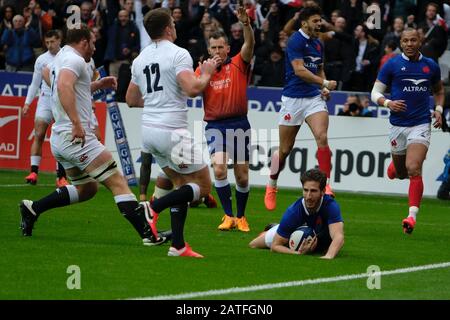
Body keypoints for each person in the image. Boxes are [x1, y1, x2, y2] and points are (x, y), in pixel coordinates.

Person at [19, 24, 163, 247]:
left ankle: (33, 208)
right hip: (76, 136)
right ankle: (149, 235)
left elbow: (57, 80)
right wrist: (76, 123)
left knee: (87, 189)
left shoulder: (60, 57)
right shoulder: (75, 60)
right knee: (118, 182)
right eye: (93, 43)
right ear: (84, 42)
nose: (95, 48)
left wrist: (96, 85)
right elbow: (64, 86)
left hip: (60, 138)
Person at [126, 8, 218, 257]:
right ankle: (152, 208)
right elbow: (192, 89)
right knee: (204, 186)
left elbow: (131, 99)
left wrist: (158, 101)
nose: (176, 27)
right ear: (168, 28)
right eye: (173, 24)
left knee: (180, 184)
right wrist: (207, 73)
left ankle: (178, 245)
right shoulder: (179, 54)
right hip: (172, 132)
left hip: (149, 132)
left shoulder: (140, 58)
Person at [370, 27, 445, 234]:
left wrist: (438, 110)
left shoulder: (430, 66)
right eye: (405, 41)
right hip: (397, 125)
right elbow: (374, 93)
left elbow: (439, 91)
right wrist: (388, 103)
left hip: (421, 124)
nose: (409, 44)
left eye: (413, 40)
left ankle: (411, 217)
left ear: (420, 41)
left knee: (413, 169)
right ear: (401, 43)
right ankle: (395, 168)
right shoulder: (392, 64)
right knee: (402, 172)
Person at [264, 5, 337, 212]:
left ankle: (325, 185)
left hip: (313, 98)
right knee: (285, 150)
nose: (319, 24)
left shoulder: (318, 43)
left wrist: (322, 86)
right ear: (304, 22)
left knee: (322, 137)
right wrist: (324, 83)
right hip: (293, 99)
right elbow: (299, 70)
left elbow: (319, 67)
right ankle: (272, 184)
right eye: (315, 21)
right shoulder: (295, 40)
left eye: (320, 20)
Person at [194, 4, 255, 232]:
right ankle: (228, 215)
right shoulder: (202, 70)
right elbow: (192, 89)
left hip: (239, 123)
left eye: (221, 47)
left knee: (242, 176)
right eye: (213, 48)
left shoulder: (239, 63)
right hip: (215, 125)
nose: (217, 51)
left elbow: (250, 44)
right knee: (219, 169)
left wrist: (245, 23)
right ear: (209, 50)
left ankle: (241, 216)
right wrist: (205, 72)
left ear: (228, 48)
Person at [249, 169, 344, 259]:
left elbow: (338, 236)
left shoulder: (330, 205)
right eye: (306, 190)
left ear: (323, 191)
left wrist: (329, 256)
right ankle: (275, 229)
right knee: (254, 244)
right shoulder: (293, 212)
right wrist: (298, 253)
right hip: (292, 228)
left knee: (325, 246)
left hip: (316, 232)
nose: (308, 196)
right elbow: (275, 246)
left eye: (313, 191)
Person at [22, 30, 69, 187]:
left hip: (61, 100)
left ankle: (61, 176)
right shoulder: (41, 59)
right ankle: (33, 172)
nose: (49, 45)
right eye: (47, 42)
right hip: (45, 99)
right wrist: (28, 103)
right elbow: (35, 83)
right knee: (39, 134)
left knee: (61, 138)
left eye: (52, 42)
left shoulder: (66, 56)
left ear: (59, 40)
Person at [138, 151, 217, 208]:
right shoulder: (149, 136)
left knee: (185, 199)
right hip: (167, 164)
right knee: (157, 201)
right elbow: (145, 165)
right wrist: (142, 198)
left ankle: (203, 197)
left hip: (183, 161)